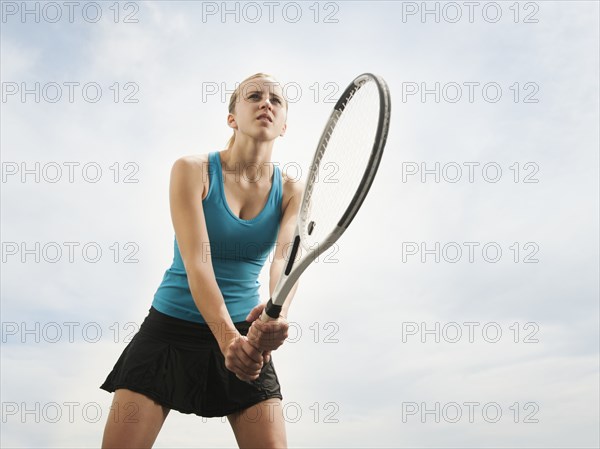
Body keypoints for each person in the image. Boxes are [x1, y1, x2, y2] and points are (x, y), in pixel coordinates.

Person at [100, 72, 303, 448]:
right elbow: (198, 263)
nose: (266, 104)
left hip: (246, 335)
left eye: (276, 100)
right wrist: (229, 341)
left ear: (284, 126)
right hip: (169, 330)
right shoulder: (191, 170)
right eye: (254, 96)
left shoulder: (292, 190)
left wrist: (276, 318)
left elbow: (284, 262)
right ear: (232, 118)